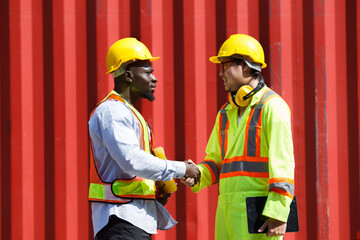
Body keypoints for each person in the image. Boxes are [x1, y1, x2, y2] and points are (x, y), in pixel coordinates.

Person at [182, 34, 295, 239]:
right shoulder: (226, 112)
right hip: (226, 211)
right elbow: (216, 161)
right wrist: (197, 174)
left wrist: (278, 213)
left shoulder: (273, 107)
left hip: (259, 215)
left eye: (224, 65)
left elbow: (283, 163)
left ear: (244, 66)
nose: (220, 73)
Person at [88, 37, 200, 240]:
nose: (154, 78)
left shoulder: (128, 112)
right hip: (120, 221)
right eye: (148, 72)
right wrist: (182, 168)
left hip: (130, 222)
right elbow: (131, 160)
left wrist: (155, 190)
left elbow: (130, 172)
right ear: (129, 75)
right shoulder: (112, 111)